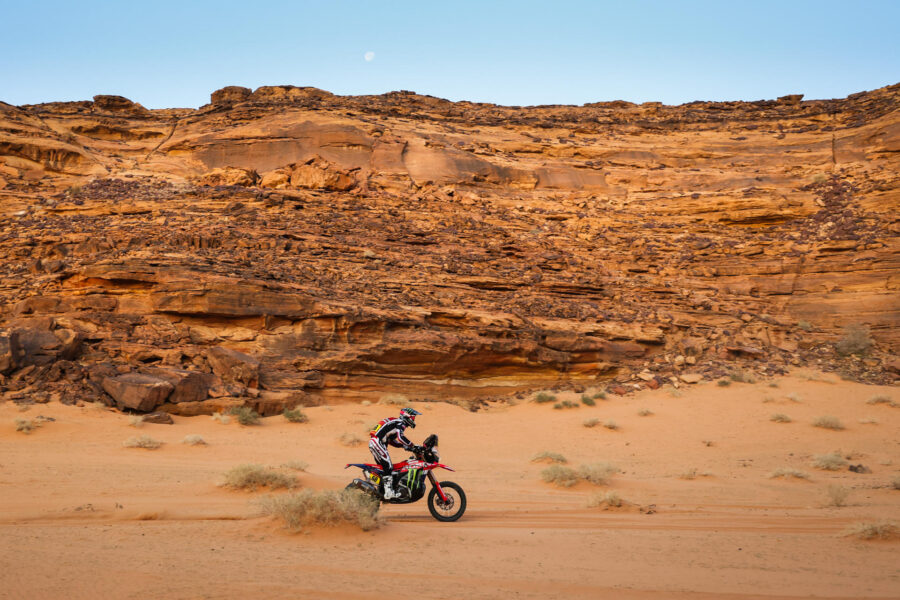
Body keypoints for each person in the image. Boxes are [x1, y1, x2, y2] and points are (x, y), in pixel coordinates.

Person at [369, 407, 421, 499]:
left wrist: (404, 446)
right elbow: (400, 438)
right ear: (407, 416)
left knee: (384, 469)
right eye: (413, 417)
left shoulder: (395, 422)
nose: (414, 420)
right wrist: (412, 446)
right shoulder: (400, 423)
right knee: (388, 466)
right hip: (378, 442)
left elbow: (392, 441)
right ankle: (388, 492)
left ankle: (382, 490)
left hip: (375, 442)